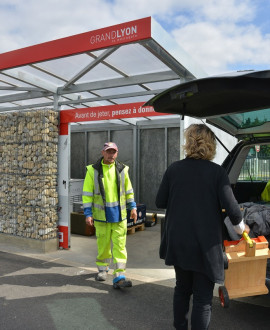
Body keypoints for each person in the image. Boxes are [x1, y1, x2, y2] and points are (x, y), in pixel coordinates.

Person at [155, 124, 250, 330]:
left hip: (178, 242)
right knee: (202, 298)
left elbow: (160, 201)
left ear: (188, 143)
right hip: (205, 246)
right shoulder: (217, 173)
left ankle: (180, 327)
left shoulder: (174, 169)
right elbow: (233, 210)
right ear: (210, 145)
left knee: (181, 288)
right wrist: (243, 229)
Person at [82, 142, 137, 289]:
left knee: (120, 246)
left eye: (113, 152)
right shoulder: (92, 170)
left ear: (117, 153)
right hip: (101, 216)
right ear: (103, 152)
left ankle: (120, 274)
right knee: (103, 245)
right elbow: (87, 194)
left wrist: (133, 207)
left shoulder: (123, 170)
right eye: (108, 152)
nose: (111, 154)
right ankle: (102, 269)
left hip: (120, 216)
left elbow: (129, 190)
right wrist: (88, 214)